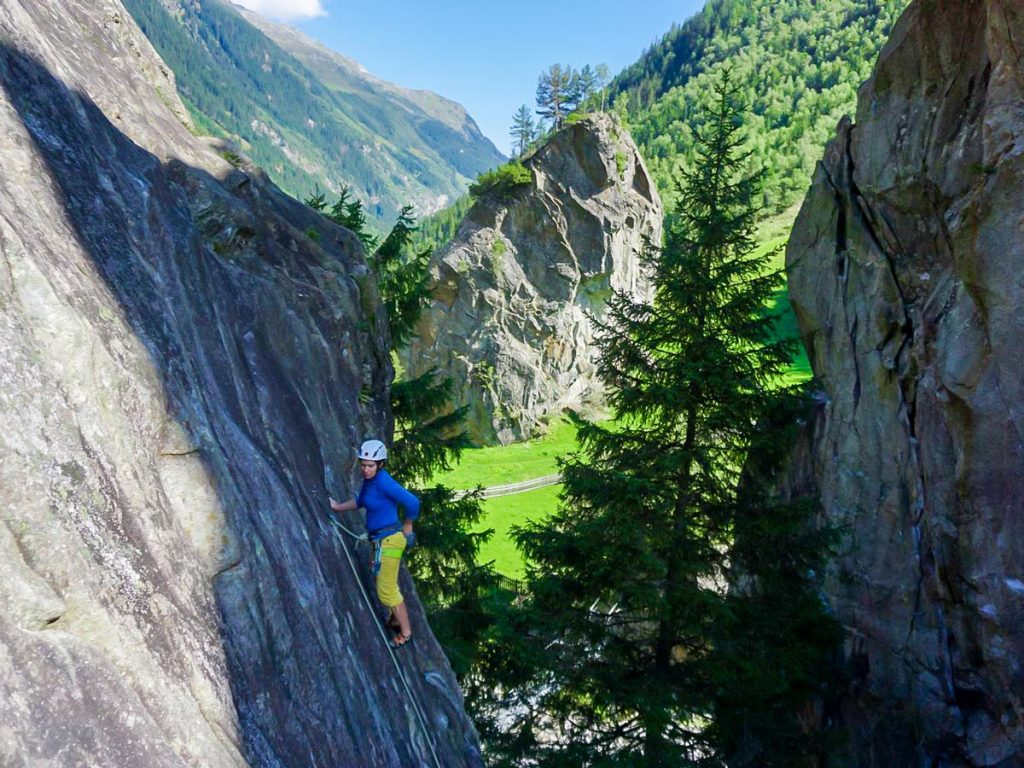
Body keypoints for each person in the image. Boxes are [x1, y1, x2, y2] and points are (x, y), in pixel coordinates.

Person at [330, 439, 419, 648]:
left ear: (380, 464)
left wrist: (408, 524)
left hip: (391, 540)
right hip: (381, 540)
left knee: (386, 589)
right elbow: (361, 501)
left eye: (370, 465)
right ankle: (396, 618)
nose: (365, 469)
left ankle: (405, 633)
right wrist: (337, 508)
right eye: (362, 465)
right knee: (384, 579)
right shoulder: (370, 482)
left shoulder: (383, 481)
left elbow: (413, 502)